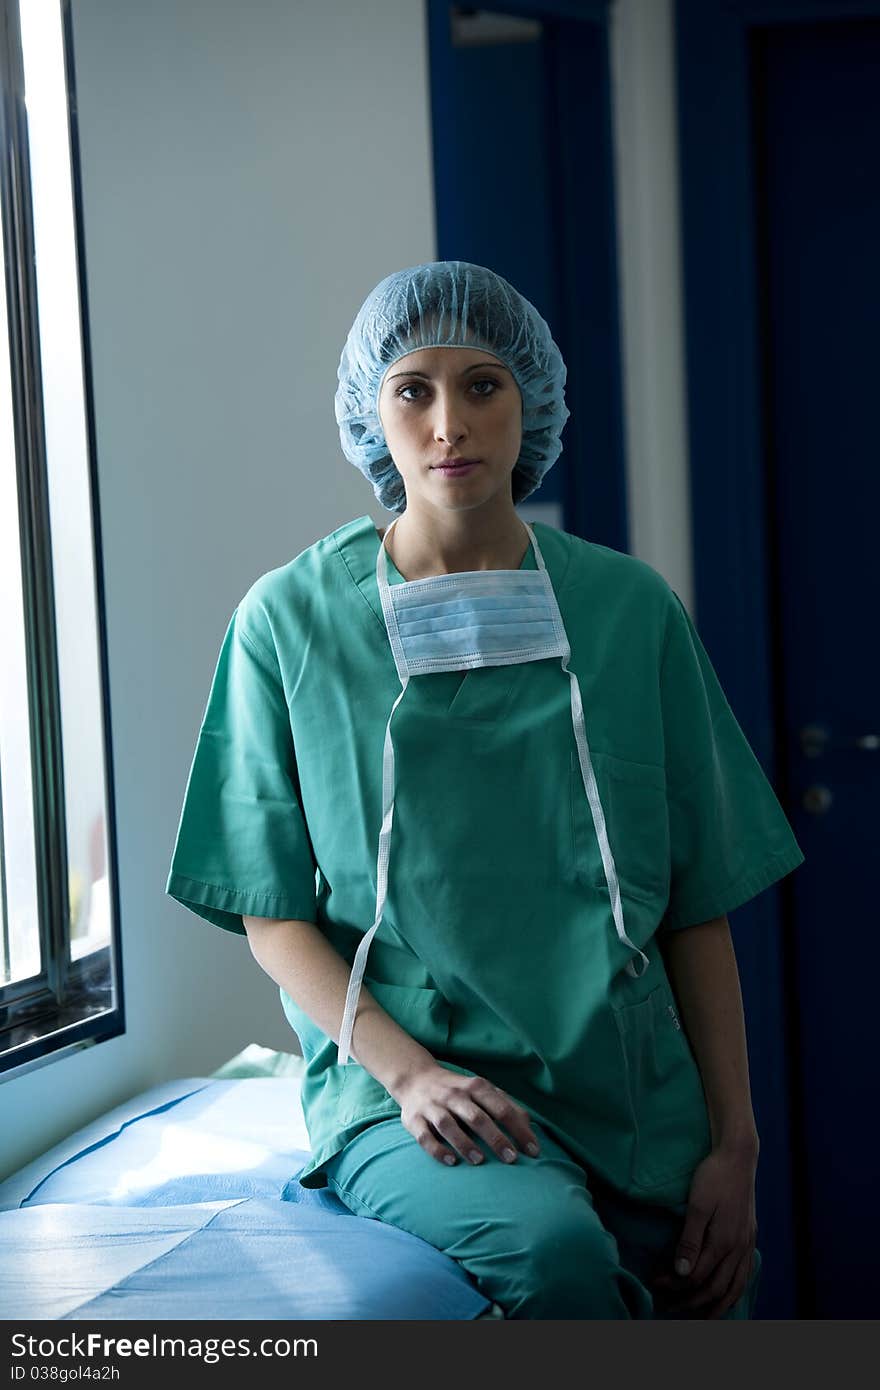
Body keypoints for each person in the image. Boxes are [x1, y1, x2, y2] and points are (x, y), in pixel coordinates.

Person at [166, 260, 805, 1319]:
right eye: (411, 388)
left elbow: (696, 904)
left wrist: (734, 1143)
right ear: (371, 412)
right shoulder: (289, 622)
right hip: (411, 1087)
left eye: (483, 385)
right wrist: (410, 1074)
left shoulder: (628, 610)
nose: (447, 422)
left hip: (634, 1091)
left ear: (531, 405)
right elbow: (270, 914)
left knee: (707, 1293)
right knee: (553, 1256)